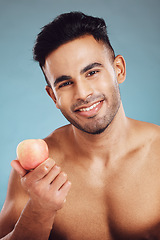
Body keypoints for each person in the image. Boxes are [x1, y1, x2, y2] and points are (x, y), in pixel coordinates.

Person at [0, 11, 160, 240]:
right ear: (53, 96)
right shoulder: (37, 173)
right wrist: (39, 210)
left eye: (92, 72)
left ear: (119, 70)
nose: (83, 94)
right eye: (65, 83)